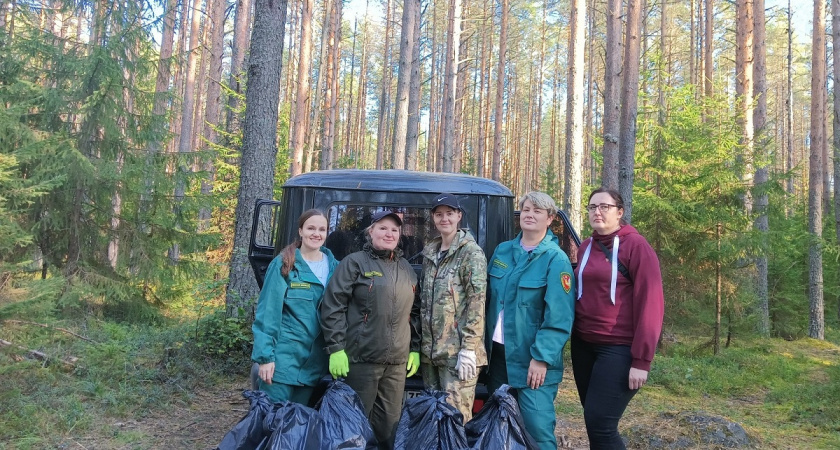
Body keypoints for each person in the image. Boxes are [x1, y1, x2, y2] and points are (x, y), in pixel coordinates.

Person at [320, 210, 420, 449]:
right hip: (361, 359)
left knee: (389, 427)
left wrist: (414, 348)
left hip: (396, 363)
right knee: (355, 426)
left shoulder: (406, 268)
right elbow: (333, 305)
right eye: (383, 228)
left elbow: (414, 312)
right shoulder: (354, 262)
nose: (389, 233)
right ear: (370, 232)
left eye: (394, 230)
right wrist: (335, 348)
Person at [572, 187, 664, 449]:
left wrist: (642, 360)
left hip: (619, 349)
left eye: (604, 207)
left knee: (601, 424)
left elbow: (651, 303)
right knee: (593, 423)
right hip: (584, 346)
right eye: (592, 207)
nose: (597, 212)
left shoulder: (636, 247)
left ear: (620, 212)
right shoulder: (587, 246)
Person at [485, 191, 576, 450]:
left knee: (536, 430)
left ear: (550, 219)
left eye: (537, 211)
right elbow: (488, 300)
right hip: (499, 357)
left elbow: (560, 317)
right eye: (526, 209)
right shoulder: (503, 251)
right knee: (500, 426)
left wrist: (541, 358)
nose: (530, 214)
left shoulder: (555, 259)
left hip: (532, 361)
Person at [251, 209, 339, 404]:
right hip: (282, 363)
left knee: (297, 429)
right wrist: (265, 358)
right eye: (311, 228)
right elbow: (268, 314)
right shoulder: (284, 264)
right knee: (272, 424)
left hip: (313, 367)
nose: (316, 234)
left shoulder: (337, 269)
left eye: (322, 229)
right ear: (301, 231)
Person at [419, 193, 487, 422]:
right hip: (431, 354)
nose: (444, 219)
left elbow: (477, 302)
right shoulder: (430, 253)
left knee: (455, 421)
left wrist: (469, 348)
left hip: (458, 355)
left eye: (449, 214)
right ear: (433, 219)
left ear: (459, 216)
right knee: (433, 420)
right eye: (439, 214)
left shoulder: (471, 253)